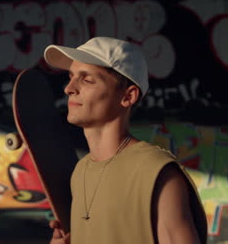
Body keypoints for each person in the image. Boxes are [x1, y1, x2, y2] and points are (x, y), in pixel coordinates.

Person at [43, 37, 208, 244]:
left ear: (128, 96)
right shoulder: (81, 171)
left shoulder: (155, 170)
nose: (69, 88)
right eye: (71, 77)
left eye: (86, 79)